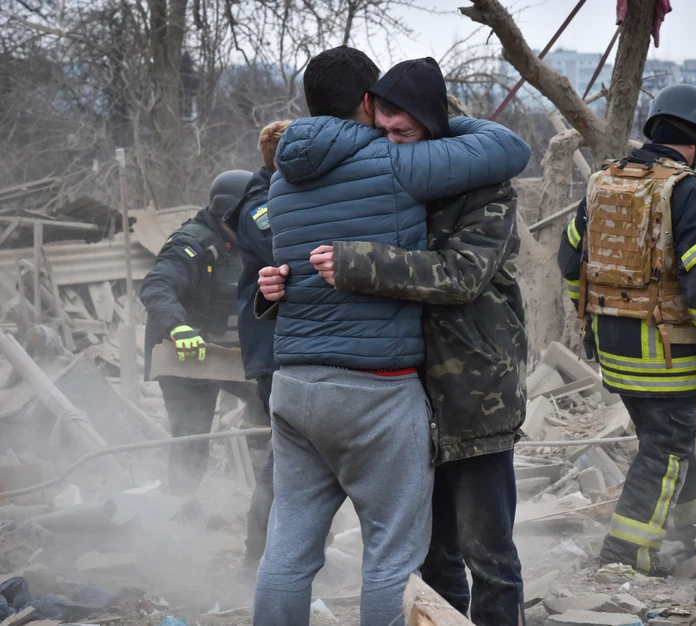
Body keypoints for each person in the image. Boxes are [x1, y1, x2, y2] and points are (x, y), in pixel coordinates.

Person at [252, 48, 530, 626]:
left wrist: (281, 286)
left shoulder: (280, 181)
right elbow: (510, 146)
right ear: (365, 104)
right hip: (379, 389)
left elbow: (463, 274)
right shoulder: (394, 166)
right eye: (382, 116)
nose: (390, 131)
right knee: (396, 559)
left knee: (288, 552)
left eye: (402, 123)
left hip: (317, 384)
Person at [557, 83, 696, 576]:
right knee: (665, 451)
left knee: (673, 443)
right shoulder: (685, 190)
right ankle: (628, 554)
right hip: (667, 356)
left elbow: (570, 261)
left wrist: (589, 325)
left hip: (615, 353)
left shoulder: (603, 182)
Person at [140, 170, 269, 495]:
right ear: (229, 212)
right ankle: (181, 505)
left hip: (232, 353)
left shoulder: (257, 240)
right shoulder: (190, 243)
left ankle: (262, 493)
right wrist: (177, 327)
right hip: (186, 354)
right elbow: (157, 286)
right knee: (192, 434)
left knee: (269, 405)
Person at [222, 121, 291, 572]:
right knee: (285, 460)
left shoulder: (281, 197)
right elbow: (282, 248)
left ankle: (293, 557)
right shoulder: (259, 205)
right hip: (274, 351)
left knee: (299, 462)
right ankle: (257, 559)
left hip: (289, 347)